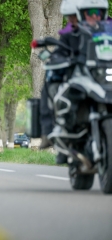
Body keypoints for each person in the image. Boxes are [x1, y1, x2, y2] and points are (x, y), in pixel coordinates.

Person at [39, 0, 109, 164]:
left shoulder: (109, 31)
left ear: (103, 14)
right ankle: (51, 132)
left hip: (104, 77)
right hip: (81, 77)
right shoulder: (70, 35)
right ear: (81, 14)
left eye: (96, 12)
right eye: (89, 13)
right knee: (52, 85)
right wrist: (58, 60)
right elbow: (59, 53)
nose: (93, 16)